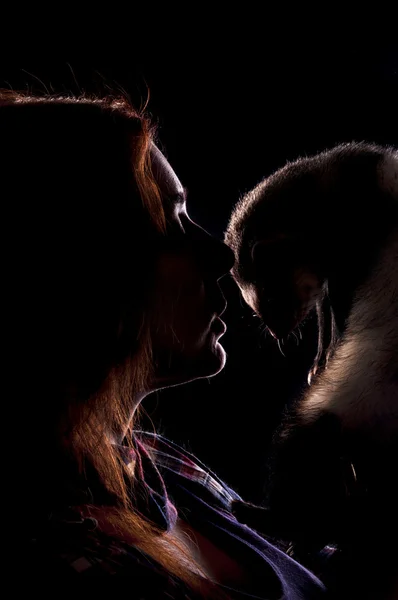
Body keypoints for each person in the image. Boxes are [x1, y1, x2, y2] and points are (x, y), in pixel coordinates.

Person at [1, 91, 327, 598]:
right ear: (80, 268)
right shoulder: (66, 563)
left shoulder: (157, 466)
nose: (221, 257)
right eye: (171, 223)